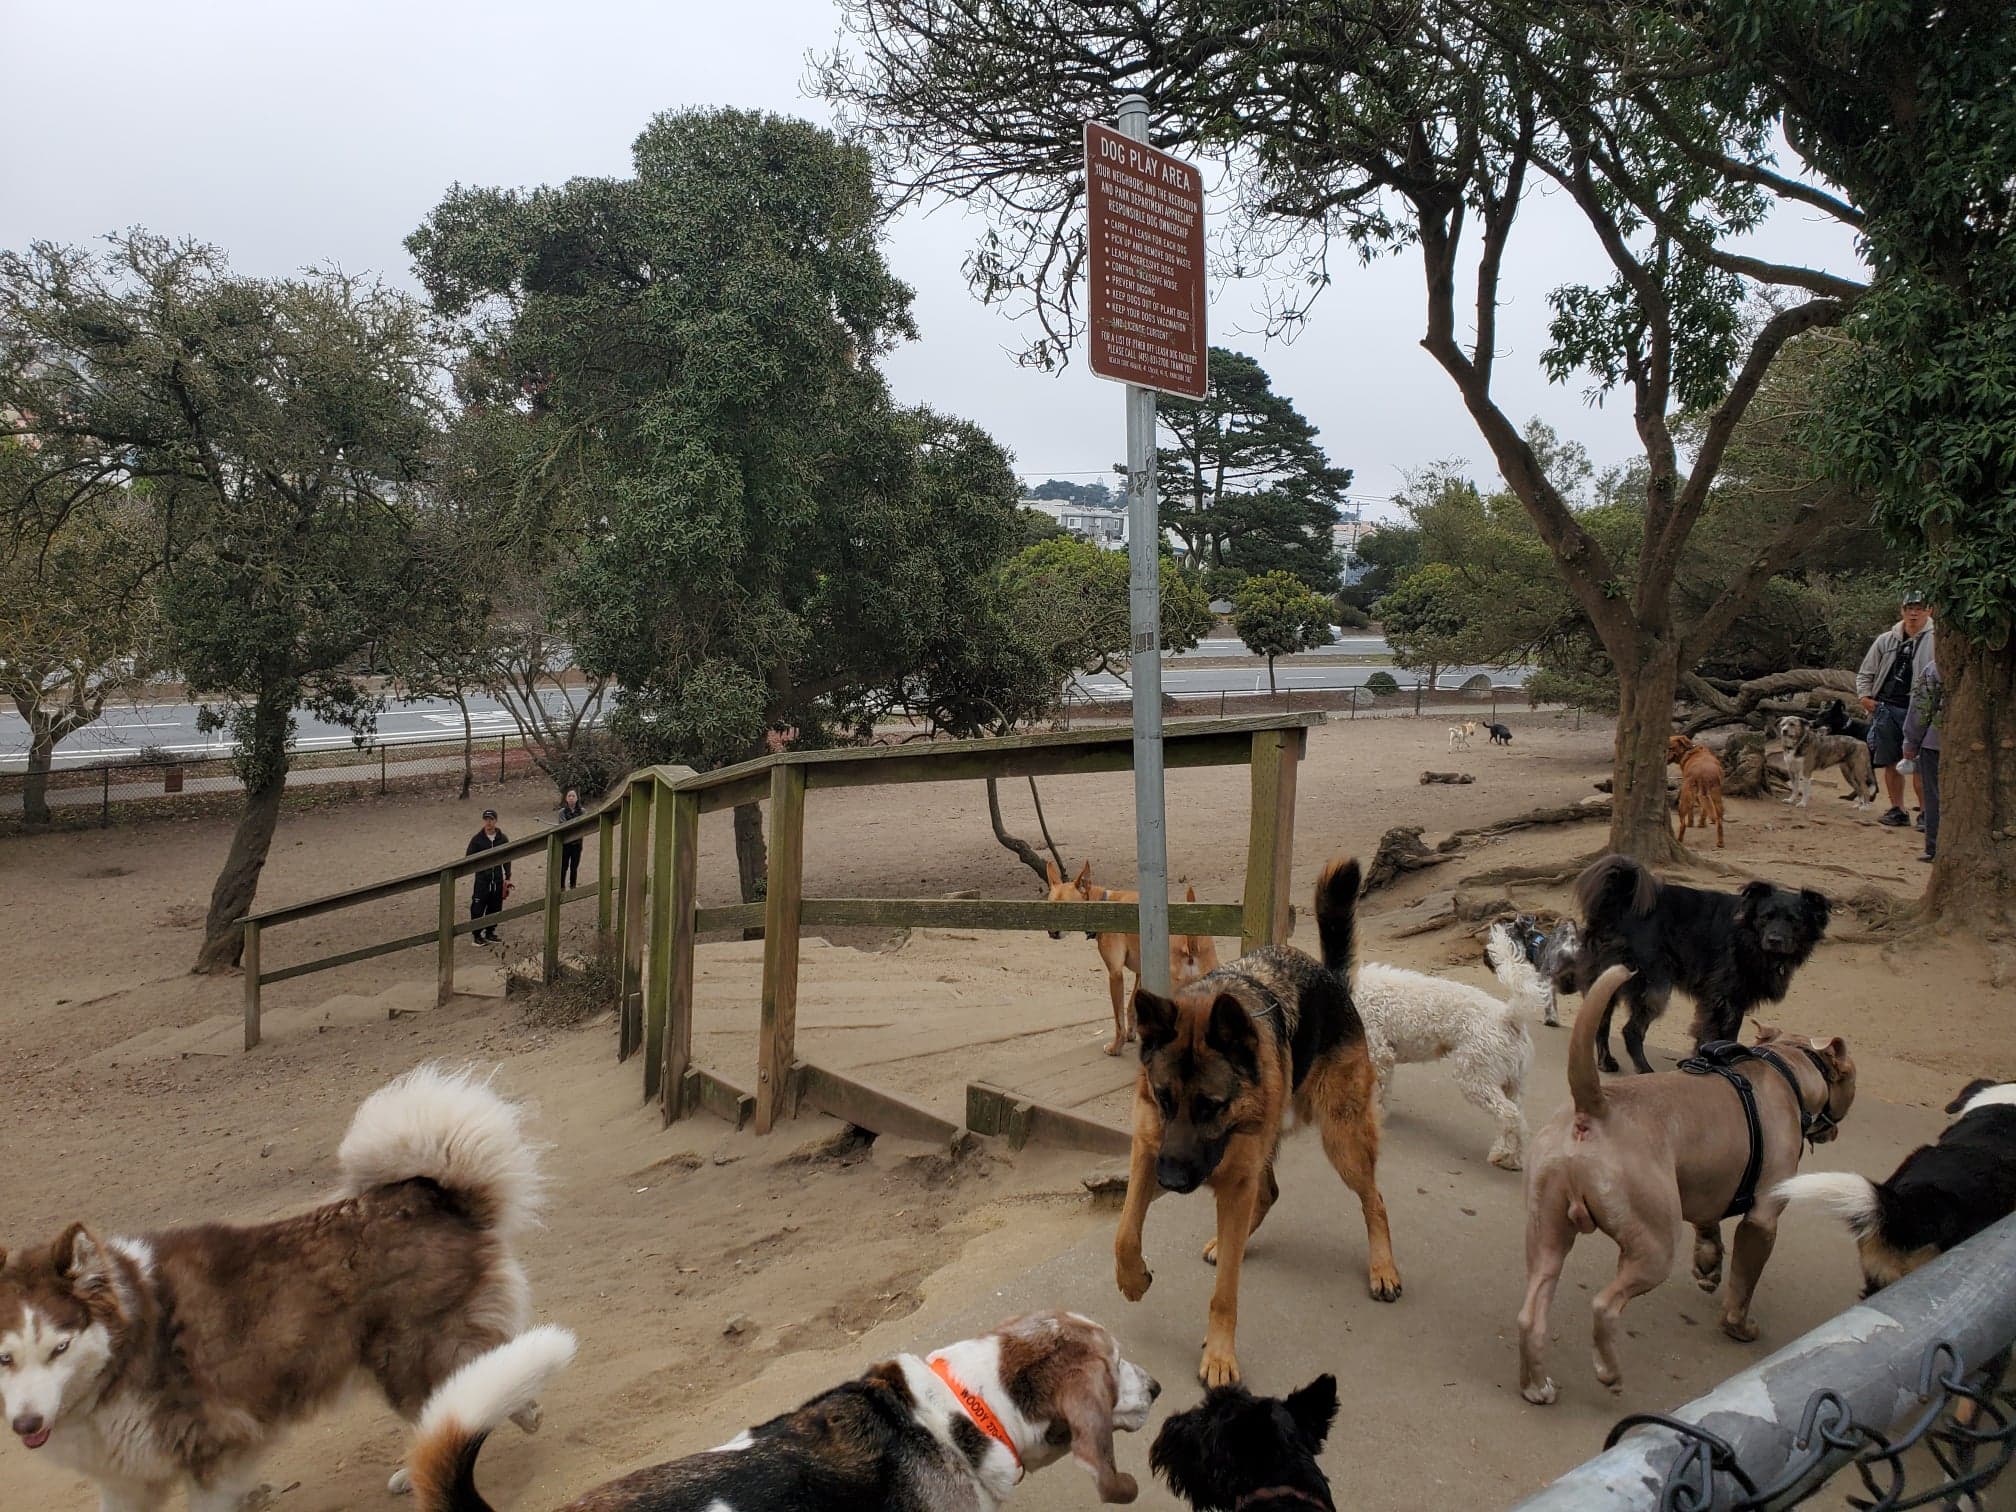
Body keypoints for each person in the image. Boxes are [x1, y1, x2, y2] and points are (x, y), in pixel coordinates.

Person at [1855, 593, 1935, 830]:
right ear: (1902, 611)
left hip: (1920, 709)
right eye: (1909, 607)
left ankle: (1926, 814)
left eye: (1919, 608)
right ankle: (1897, 810)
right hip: (1887, 707)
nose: (1914, 613)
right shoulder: (1886, 640)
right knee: (1890, 760)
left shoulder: (1936, 639)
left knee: (1921, 762)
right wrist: (1864, 697)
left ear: (1929, 611)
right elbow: (1866, 671)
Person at [1902, 655, 1943, 865]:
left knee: (1934, 796)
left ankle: (1935, 847)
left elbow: (1920, 707)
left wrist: (1911, 741)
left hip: (1936, 742)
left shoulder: (1936, 667)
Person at [466, 808, 512, 944]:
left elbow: (507, 857)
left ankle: (490, 931)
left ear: (496, 821)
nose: (488, 822)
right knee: (478, 907)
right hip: (482, 880)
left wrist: (507, 876)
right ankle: (476, 935)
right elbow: (468, 857)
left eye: (491, 819)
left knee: (495, 906)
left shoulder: (502, 838)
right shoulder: (477, 839)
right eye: (486, 819)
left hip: (497, 879)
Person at [558, 787, 585, 890]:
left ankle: (573, 885)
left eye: (573, 796)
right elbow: (563, 826)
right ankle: (561, 886)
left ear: (577, 798)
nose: (571, 798)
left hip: (577, 843)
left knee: (574, 866)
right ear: (566, 798)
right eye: (569, 796)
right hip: (565, 843)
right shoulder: (562, 812)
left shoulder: (582, 811)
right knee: (564, 865)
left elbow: (583, 824)